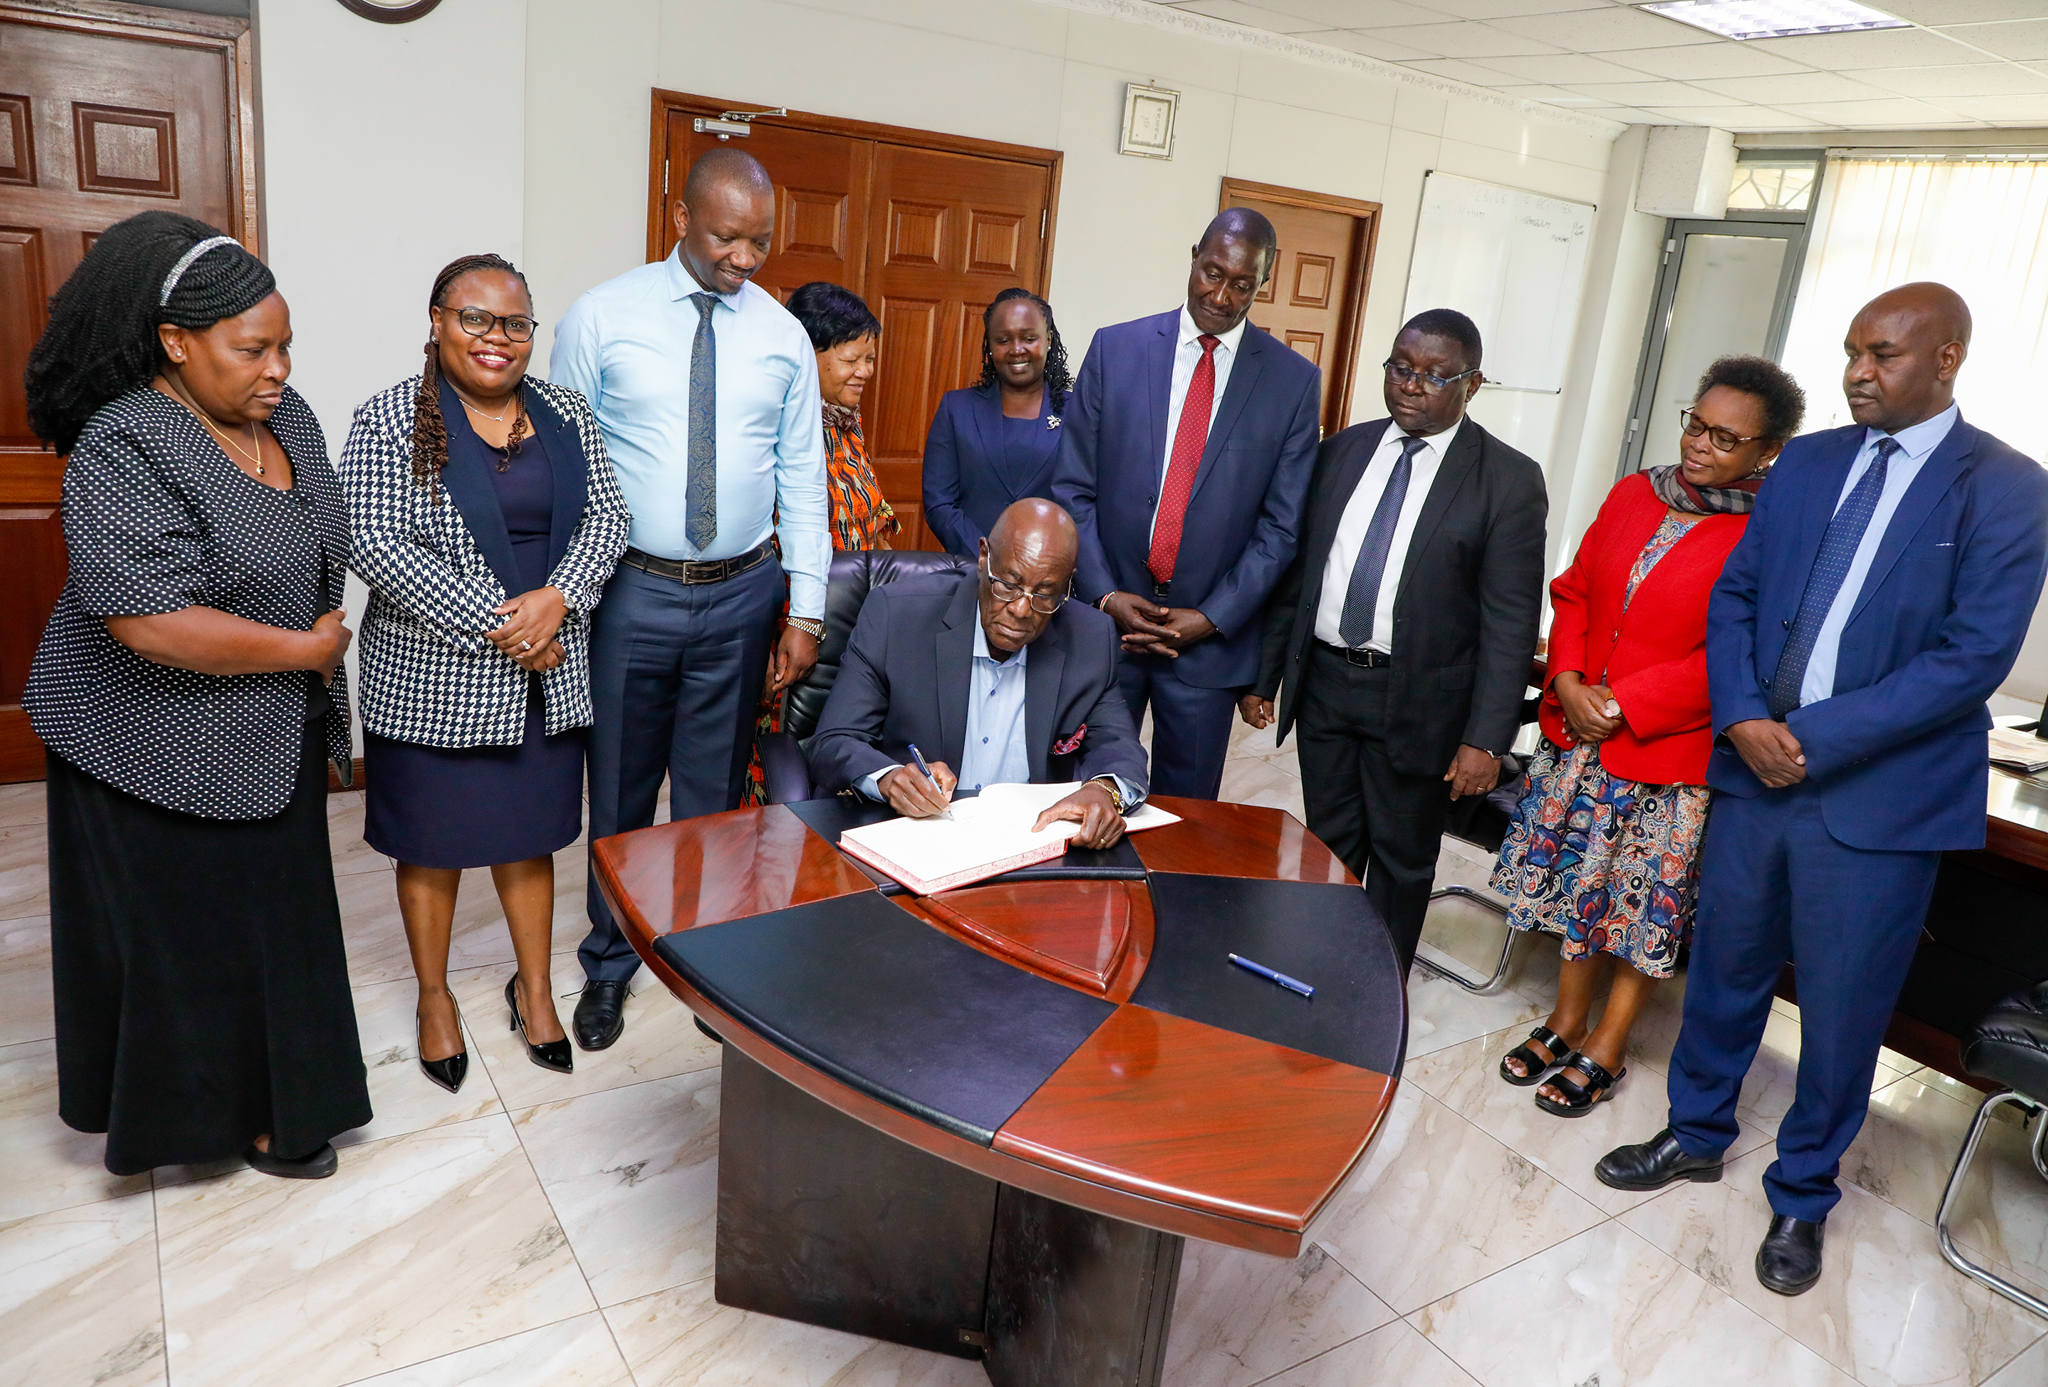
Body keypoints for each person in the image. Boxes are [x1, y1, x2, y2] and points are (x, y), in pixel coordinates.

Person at [1596, 284, 2048, 1298]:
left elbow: (1969, 656)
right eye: (1850, 350)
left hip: (1876, 800)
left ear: (1945, 361)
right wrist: (1744, 715)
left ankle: (1801, 1195)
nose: (1856, 371)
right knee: (1724, 971)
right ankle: (1696, 1132)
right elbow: (1739, 598)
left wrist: (1803, 738)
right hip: (1755, 774)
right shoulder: (1805, 461)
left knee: (1844, 1011)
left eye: (1881, 354)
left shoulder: (2004, 486)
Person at [21, 212, 368, 1179]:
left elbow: (317, 532)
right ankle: (203, 1126)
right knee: (189, 941)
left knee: (279, 921)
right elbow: (147, 620)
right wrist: (305, 647)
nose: (279, 369)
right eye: (252, 348)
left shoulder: (280, 418)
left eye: (287, 345)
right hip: (140, 739)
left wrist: (305, 654)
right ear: (176, 343)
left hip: (267, 727)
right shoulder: (126, 442)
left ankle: (285, 1102)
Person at [550, 148, 829, 1051]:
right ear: (679, 215)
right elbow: (562, 465)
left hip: (742, 592)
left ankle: (703, 963)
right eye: (726, 238)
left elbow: (803, 476)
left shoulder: (783, 335)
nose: (745, 259)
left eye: (760, 242)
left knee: (710, 792)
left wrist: (808, 608)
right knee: (623, 784)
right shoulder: (603, 316)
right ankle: (611, 959)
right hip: (630, 587)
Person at [340, 254, 630, 1089]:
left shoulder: (566, 412)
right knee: (429, 849)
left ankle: (534, 988)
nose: (496, 339)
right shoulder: (391, 418)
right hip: (436, 675)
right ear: (436, 321)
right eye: (475, 319)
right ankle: (434, 998)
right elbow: (374, 543)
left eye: (514, 324)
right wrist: (506, 621)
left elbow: (610, 515)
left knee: (529, 840)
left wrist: (560, 599)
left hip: (549, 670)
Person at [1492, 357, 1805, 1117]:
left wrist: (1630, 702)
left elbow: (1746, 653)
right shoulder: (1637, 493)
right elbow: (1574, 591)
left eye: (1725, 438)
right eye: (1695, 423)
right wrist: (1566, 680)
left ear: (1766, 453)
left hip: (1669, 755)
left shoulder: (1769, 531)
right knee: (1578, 883)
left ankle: (1610, 1040)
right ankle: (1566, 1019)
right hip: (1581, 740)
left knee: (1638, 906)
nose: (1699, 445)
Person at [1244, 310, 1547, 972]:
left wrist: (1487, 739)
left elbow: (1509, 623)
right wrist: (1264, 675)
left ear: (1473, 384)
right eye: (1401, 367)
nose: (1412, 385)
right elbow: (1301, 574)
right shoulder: (1343, 451)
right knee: (1330, 843)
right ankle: (1318, 966)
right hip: (1326, 684)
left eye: (1435, 375)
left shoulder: (1507, 480)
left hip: (1421, 703)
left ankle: (1373, 991)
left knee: (1403, 855)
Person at [1051, 208, 1320, 800]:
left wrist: (1211, 617)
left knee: (1187, 818)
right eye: (1212, 272)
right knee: (1082, 793)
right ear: (1194, 255)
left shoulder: (1292, 382)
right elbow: (1073, 487)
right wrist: (1104, 594)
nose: (1221, 296)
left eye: (1242, 284)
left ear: (1262, 284)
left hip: (1208, 646)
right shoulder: (1116, 349)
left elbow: (1281, 528)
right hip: (1105, 629)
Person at [807, 498, 1148, 848]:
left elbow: (1119, 743)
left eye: (1045, 595)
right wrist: (889, 778)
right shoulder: (896, 617)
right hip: (915, 837)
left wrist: (1104, 789)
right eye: (1009, 585)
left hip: (1030, 845)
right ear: (984, 557)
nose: (1020, 610)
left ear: (1066, 586)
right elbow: (834, 741)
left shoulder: (1090, 637)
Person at [742, 282, 898, 806]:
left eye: (870, 359)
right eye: (852, 358)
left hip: (850, 641)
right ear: (807, 353)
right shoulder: (774, 432)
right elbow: (759, 548)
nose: (866, 373)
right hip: (784, 638)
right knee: (766, 780)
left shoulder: (845, 428)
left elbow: (870, 528)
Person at [922, 287, 1072, 555]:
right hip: (972, 570)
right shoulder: (956, 409)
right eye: (1003, 340)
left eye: (1029, 338)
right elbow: (939, 502)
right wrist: (988, 557)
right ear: (989, 346)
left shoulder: (1077, 413)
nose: (1016, 350)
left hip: (1051, 576)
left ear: (1048, 339)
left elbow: (1085, 502)